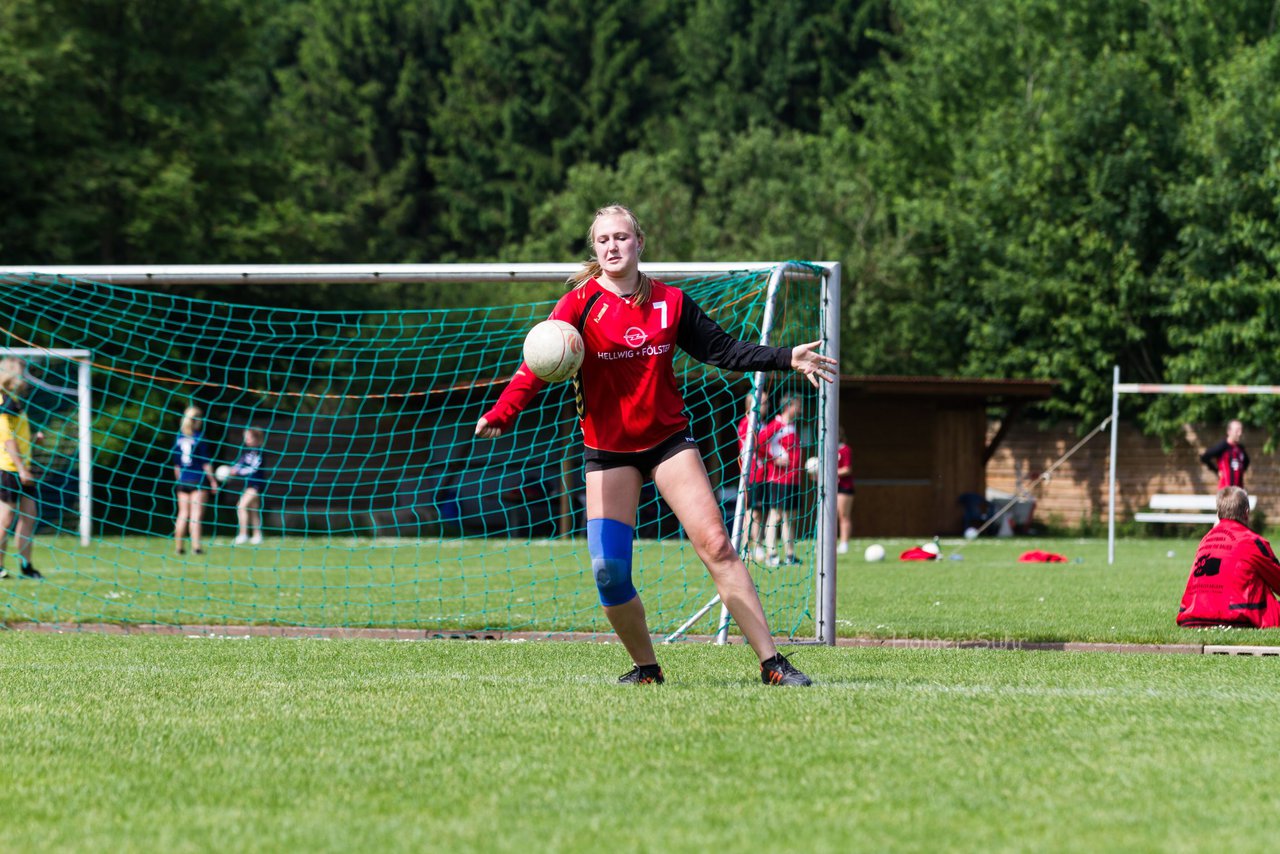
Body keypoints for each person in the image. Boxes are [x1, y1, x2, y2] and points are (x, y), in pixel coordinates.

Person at [475, 204, 836, 686]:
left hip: (669, 443)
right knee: (608, 573)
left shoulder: (670, 301)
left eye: (621, 238)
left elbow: (723, 350)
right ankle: (647, 668)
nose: (612, 247)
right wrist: (502, 413)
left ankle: (773, 664)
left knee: (717, 546)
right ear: (594, 248)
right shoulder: (577, 306)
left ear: (639, 243)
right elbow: (534, 367)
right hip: (607, 453)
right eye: (603, 240)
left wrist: (785, 357)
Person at [1176, 486, 1280, 628]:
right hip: (1238, 616)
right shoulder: (1252, 541)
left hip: (1193, 617)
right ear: (1247, 513)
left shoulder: (1205, 541)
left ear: (1218, 514)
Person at [0, 357, 42, 579]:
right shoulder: (4, 401)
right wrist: (21, 468)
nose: (26, 378)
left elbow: (16, 436)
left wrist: (33, 439)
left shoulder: (13, 400)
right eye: (22, 372)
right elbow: (7, 439)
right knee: (5, 519)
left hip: (21, 467)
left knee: (29, 516)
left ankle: (27, 567)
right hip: (9, 468)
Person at [758, 394, 803, 567]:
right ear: (789, 406)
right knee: (775, 516)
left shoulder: (791, 426)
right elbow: (758, 445)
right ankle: (772, 553)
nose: (800, 409)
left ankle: (790, 555)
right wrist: (773, 460)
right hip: (778, 479)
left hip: (793, 480)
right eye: (798, 406)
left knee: (790, 517)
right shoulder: (776, 425)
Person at [172, 405, 218, 555]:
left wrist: (179, 481)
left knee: (182, 514)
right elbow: (206, 463)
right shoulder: (199, 438)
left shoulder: (178, 438)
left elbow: (177, 465)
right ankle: (196, 548)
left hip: (183, 481)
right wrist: (213, 481)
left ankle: (179, 548)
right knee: (196, 515)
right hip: (198, 480)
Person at [736, 389, 769, 562]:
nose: (767, 406)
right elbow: (754, 446)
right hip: (751, 476)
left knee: (758, 512)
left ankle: (757, 545)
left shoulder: (761, 424)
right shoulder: (746, 424)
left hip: (763, 474)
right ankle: (748, 547)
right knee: (751, 512)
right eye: (763, 403)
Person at [226, 427, 267, 545]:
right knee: (254, 509)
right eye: (245, 437)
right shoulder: (247, 452)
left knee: (241, 506)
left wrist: (238, 472)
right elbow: (239, 464)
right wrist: (230, 470)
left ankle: (243, 534)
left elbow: (253, 469)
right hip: (250, 484)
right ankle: (257, 535)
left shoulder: (259, 452)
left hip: (256, 484)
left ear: (257, 439)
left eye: (249, 437)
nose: (246, 439)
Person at [1200, 419, 1248, 490]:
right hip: (1226, 491)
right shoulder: (1223, 446)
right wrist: (1216, 470)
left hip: (1239, 490)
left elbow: (1246, 462)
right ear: (1229, 432)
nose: (1240, 433)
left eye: (1241, 430)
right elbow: (1204, 457)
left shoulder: (1240, 449)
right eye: (1237, 431)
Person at [836, 427, 854, 554]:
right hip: (831, 487)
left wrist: (831, 473)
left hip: (844, 487)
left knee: (843, 515)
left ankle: (844, 543)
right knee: (829, 517)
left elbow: (847, 469)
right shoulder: (827, 450)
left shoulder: (845, 450)